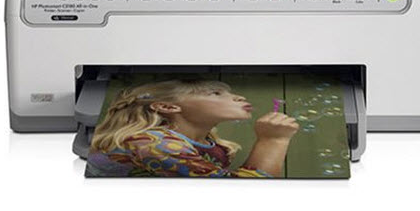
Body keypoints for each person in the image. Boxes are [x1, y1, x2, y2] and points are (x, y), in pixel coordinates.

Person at [86, 79, 299, 178]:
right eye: (215, 93)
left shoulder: (212, 145)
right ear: (168, 107)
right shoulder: (152, 143)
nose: (239, 97)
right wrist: (273, 141)